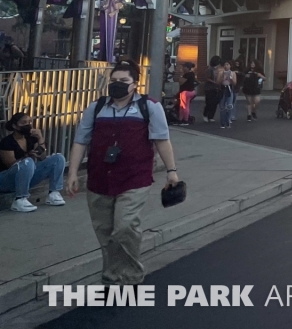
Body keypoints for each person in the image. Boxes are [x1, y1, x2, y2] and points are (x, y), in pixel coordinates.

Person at [67, 59, 181, 285]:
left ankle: (130, 277)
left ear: (135, 84)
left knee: (125, 228)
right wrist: (71, 173)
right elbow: (81, 141)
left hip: (134, 178)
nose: (117, 84)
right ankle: (111, 277)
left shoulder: (148, 107)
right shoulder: (97, 107)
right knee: (105, 232)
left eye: (124, 81)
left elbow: (162, 140)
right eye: (114, 80)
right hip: (99, 178)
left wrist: (172, 171)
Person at [0, 112, 66, 211]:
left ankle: (54, 193)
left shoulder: (30, 139)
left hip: (26, 177)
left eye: (29, 122)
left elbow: (42, 156)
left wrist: (40, 138)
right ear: (15, 126)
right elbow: (10, 164)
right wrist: (27, 156)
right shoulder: (7, 142)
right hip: (6, 180)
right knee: (28, 162)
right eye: (23, 123)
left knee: (58, 158)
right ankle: (20, 199)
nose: (28, 125)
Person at [217, 59, 237, 129]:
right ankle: (222, 122)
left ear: (230, 66)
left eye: (228, 64)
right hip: (222, 89)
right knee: (222, 106)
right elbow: (218, 82)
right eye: (225, 64)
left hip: (229, 89)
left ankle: (228, 120)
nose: (226, 66)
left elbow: (234, 83)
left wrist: (230, 79)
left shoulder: (233, 73)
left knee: (229, 105)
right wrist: (223, 77)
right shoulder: (220, 72)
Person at [202, 57, 222, 122]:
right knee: (209, 102)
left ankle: (211, 116)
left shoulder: (219, 69)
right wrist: (214, 82)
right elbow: (207, 78)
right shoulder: (209, 69)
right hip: (209, 88)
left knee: (215, 102)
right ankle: (205, 114)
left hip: (216, 88)